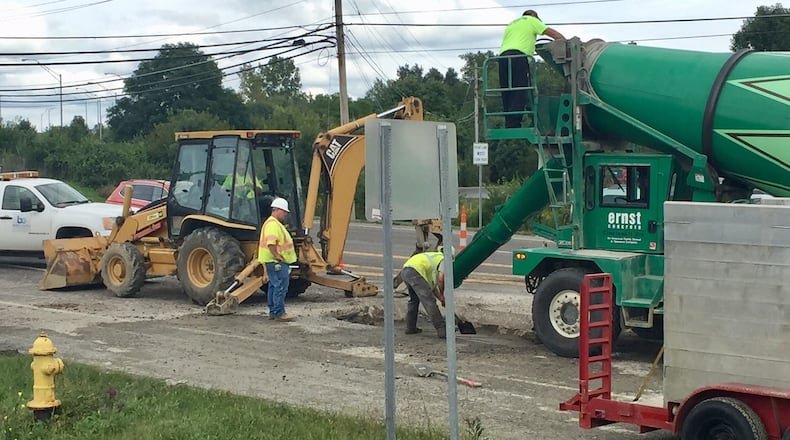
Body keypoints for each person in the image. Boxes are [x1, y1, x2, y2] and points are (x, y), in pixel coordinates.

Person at [498, 9, 565, 128]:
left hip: (502, 57)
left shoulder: (512, 24)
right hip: (518, 56)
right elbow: (553, 34)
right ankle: (515, 123)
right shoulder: (532, 20)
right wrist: (566, 43)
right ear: (534, 16)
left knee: (507, 90)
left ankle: (509, 122)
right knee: (520, 89)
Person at [258, 197, 297, 322]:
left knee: (274, 286)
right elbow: (271, 243)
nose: (285, 214)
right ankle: (279, 313)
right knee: (280, 286)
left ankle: (273, 311)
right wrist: (277, 256)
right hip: (276, 262)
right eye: (284, 211)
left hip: (272, 261)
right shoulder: (273, 225)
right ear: (277, 210)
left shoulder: (272, 223)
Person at [401, 246, 451, 339]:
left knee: (414, 300)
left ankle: (410, 327)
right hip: (415, 272)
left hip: (405, 271)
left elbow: (431, 287)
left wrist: (441, 298)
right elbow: (440, 279)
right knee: (430, 302)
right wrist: (443, 294)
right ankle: (442, 330)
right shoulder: (444, 259)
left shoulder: (434, 257)